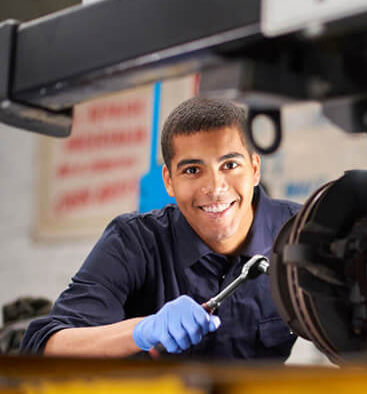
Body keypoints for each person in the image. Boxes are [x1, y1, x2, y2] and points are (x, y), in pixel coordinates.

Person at [21, 97, 300, 360]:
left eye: (230, 164)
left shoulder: (301, 233)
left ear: (254, 168)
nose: (215, 188)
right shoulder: (134, 242)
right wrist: (143, 331)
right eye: (192, 170)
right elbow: (43, 347)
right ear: (169, 181)